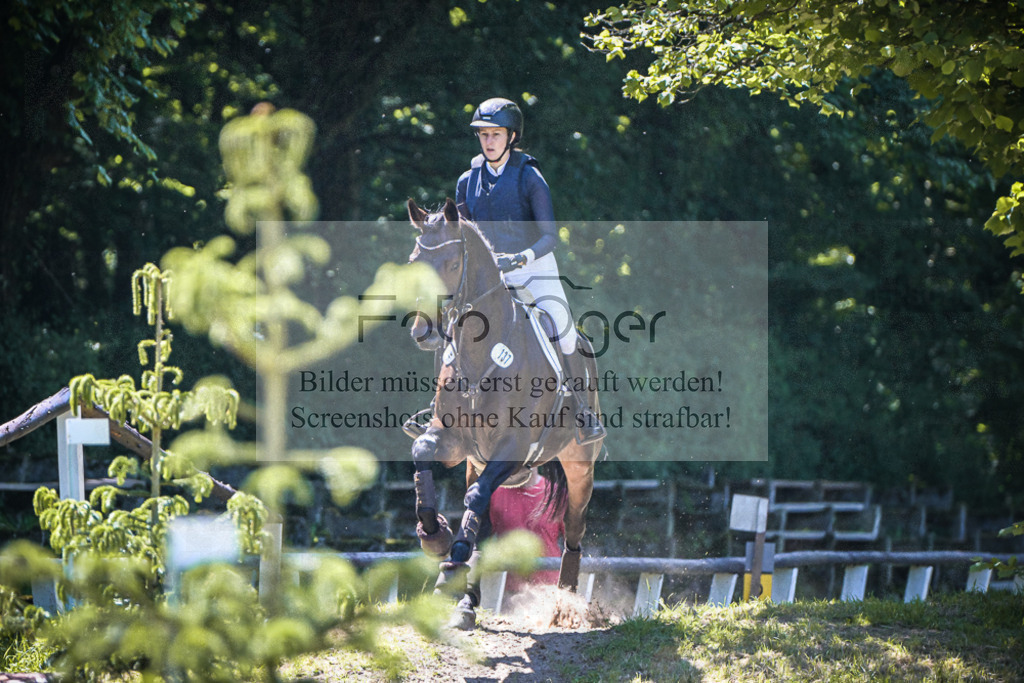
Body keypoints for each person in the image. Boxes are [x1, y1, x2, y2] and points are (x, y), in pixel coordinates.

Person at [455, 97, 605, 444]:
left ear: (511, 136)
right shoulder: (467, 181)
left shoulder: (529, 177)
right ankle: (438, 406)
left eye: (495, 134)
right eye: (483, 134)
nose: (488, 141)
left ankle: (582, 409)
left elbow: (550, 236)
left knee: (564, 331)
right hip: (488, 278)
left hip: (533, 268)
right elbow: (465, 236)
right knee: (452, 328)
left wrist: (521, 258)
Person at [488, 468, 563, 592]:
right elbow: (482, 544)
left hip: (549, 589)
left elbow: (574, 543)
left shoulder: (557, 494)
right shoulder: (496, 493)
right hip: (507, 591)